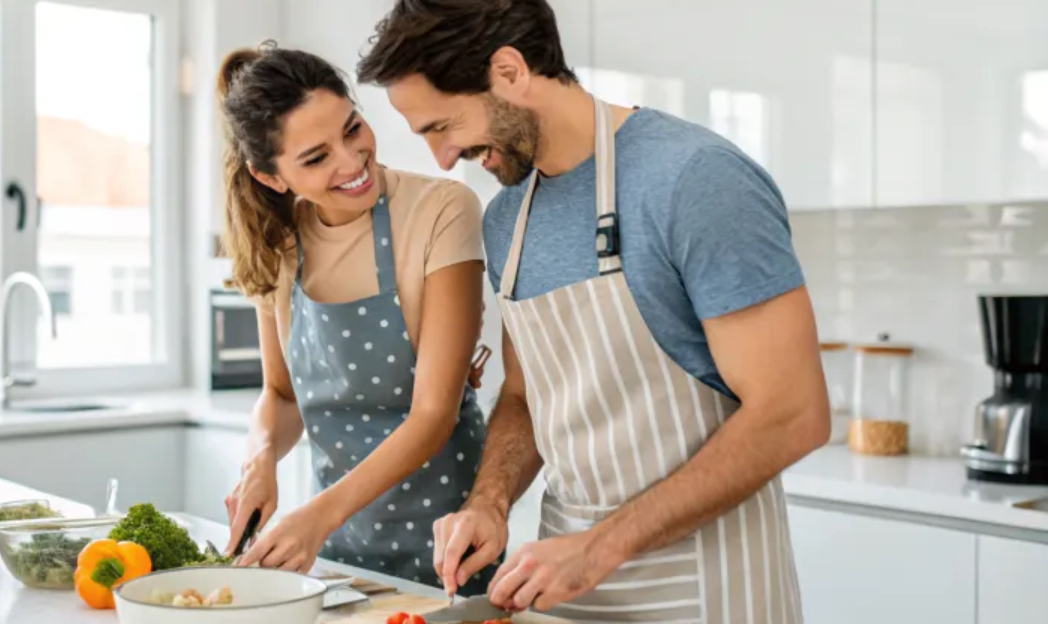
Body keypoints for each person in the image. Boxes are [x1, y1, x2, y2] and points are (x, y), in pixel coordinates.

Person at [356, 1, 830, 621]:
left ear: (509, 71)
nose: (444, 159)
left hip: (708, 590)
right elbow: (527, 398)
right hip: (566, 594)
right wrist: (490, 502)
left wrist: (599, 548)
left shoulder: (695, 181)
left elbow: (793, 414)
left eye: (442, 127)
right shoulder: (507, 221)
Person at [218, 42, 496, 593]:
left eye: (352, 129)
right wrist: (261, 456)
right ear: (271, 177)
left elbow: (434, 413)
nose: (351, 162)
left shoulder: (440, 211)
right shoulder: (277, 243)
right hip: (339, 558)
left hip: (451, 548)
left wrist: (316, 515)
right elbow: (281, 396)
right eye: (316, 158)